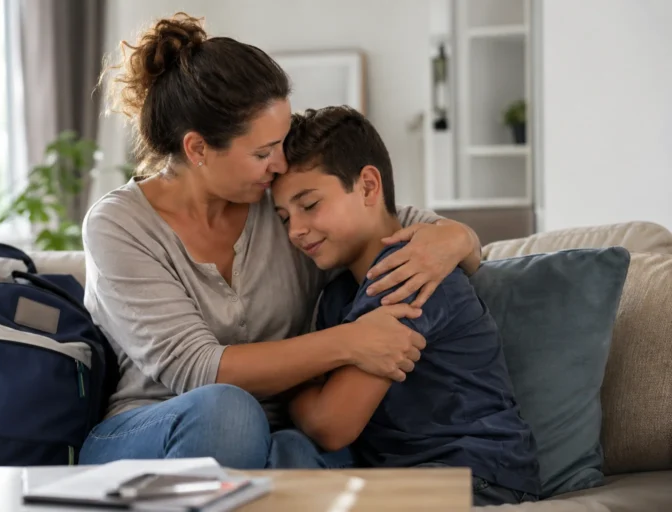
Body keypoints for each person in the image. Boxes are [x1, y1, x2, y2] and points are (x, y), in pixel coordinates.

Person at [79, 13, 483, 470]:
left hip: (283, 439)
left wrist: (457, 237)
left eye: (281, 142)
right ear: (198, 150)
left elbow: (393, 226)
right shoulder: (118, 225)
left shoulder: (285, 211)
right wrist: (351, 341)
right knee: (229, 414)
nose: (280, 162)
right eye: (261, 152)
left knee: (327, 455)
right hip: (158, 428)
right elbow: (196, 370)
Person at [271, 105, 540, 506]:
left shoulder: (412, 272)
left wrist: (288, 388)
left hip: (476, 473)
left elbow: (332, 425)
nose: (296, 230)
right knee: (288, 455)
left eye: (309, 205)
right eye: (283, 217)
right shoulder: (337, 296)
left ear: (367, 186)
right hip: (398, 475)